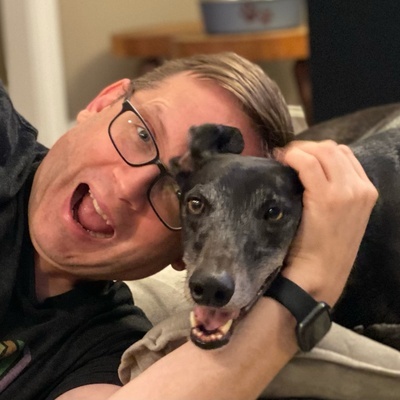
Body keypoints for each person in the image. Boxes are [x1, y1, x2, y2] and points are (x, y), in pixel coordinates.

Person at [0, 52, 377, 400]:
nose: (129, 185)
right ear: (104, 102)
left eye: (182, 194)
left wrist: (312, 280)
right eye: (143, 134)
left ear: (185, 253)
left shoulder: (105, 349)